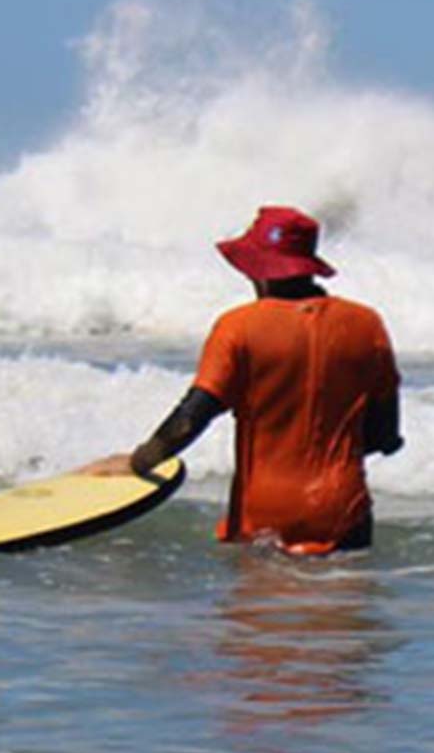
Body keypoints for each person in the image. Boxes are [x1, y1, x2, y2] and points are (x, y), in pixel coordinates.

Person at [90, 206, 402, 554]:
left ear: (260, 271)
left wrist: (140, 462)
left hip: (267, 514)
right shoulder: (366, 324)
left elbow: (193, 415)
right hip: (344, 513)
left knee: (261, 606)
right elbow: (384, 436)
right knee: (338, 605)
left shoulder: (238, 328)